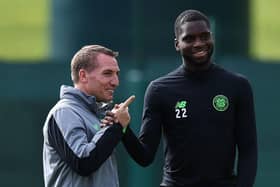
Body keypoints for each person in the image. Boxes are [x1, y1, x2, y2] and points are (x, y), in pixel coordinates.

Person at [105, 9, 258, 187]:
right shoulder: (159, 90)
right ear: (177, 44)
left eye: (204, 36)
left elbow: (248, 150)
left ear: (212, 38)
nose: (199, 43)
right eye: (189, 38)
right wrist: (124, 129)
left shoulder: (237, 86)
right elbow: (145, 156)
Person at [42, 45, 133, 187]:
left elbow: (144, 158)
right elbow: (83, 162)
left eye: (117, 74)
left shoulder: (98, 113)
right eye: (108, 73)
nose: (116, 82)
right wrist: (116, 127)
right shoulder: (64, 112)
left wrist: (118, 126)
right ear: (83, 76)